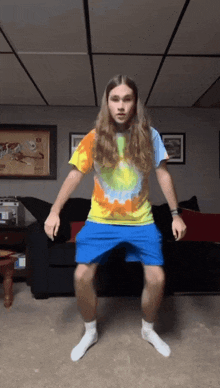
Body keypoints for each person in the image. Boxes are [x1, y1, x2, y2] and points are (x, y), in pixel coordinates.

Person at [44, 75, 186, 361]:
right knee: (82, 274)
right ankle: (90, 330)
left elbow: (162, 174)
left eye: (127, 99)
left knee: (157, 278)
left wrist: (176, 215)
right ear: (107, 103)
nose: (121, 105)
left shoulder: (150, 135)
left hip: (141, 222)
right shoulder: (94, 137)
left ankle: (148, 329)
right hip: (101, 221)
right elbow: (75, 174)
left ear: (135, 103)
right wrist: (54, 210)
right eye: (115, 99)